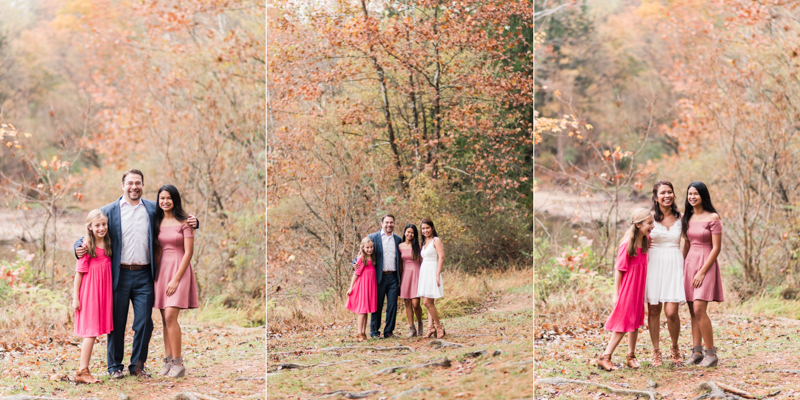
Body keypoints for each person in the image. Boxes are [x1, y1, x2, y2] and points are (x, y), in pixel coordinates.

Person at [74, 169, 198, 379]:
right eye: (130, 183)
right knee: (117, 323)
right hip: (118, 275)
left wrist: (194, 221)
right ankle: (114, 367)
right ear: (122, 185)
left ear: (142, 185)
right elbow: (91, 231)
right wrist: (77, 246)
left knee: (144, 323)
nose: (134, 186)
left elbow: (174, 221)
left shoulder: (152, 208)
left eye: (138, 183)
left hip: (145, 275)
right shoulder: (109, 210)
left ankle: (138, 366)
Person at [597, 208, 654, 371]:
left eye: (652, 222)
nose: (652, 226)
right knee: (624, 322)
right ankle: (605, 357)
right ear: (638, 224)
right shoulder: (627, 243)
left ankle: (631, 355)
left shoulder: (645, 240)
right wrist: (616, 293)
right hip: (628, 288)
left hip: (638, 288)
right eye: (649, 223)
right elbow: (619, 269)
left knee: (635, 321)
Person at [153, 185, 199, 378]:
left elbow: (189, 252)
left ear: (175, 200)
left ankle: (179, 364)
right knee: (164, 319)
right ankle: (169, 360)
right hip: (162, 271)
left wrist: (175, 279)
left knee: (171, 316)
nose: (165, 201)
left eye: (169, 198)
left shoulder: (185, 222)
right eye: (162, 198)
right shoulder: (156, 220)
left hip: (179, 270)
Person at [682, 181, 723, 368]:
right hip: (690, 264)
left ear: (703, 195)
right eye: (690, 194)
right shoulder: (687, 217)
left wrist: (702, 272)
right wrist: (681, 267)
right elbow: (687, 244)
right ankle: (696, 352)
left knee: (699, 309)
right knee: (692, 310)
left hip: (706, 265)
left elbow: (716, 248)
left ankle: (711, 354)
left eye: (696, 194)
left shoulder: (713, 217)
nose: (692, 197)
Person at [646, 180, 686, 366]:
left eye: (669, 192)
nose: (667, 195)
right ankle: (656, 352)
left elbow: (689, 242)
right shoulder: (649, 218)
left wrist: (685, 262)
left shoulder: (682, 217)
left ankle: (675, 346)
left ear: (673, 195)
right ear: (655, 197)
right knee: (654, 309)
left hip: (675, 263)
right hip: (653, 264)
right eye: (662, 193)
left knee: (671, 312)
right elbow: (639, 241)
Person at [72, 210, 114, 384]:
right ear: (89, 227)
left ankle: (84, 370)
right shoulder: (86, 246)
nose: (101, 228)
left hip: (103, 293)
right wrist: (76, 298)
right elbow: (78, 274)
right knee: (91, 331)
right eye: (97, 225)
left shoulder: (109, 243)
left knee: (95, 331)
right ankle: (83, 371)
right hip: (89, 293)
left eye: (104, 224)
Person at [359, 214, 403, 339]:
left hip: (393, 277)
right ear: (382, 223)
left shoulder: (398, 239)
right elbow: (362, 252)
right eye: (387, 222)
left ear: (394, 224)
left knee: (392, 306)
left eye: (391, 222)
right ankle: (374, 332)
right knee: (376, 306)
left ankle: (388, 331)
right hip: (378, 277)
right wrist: (354, 264)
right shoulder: (373, 237)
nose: (389, 225)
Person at [417, 218, 445, 338]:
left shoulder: (436, 240)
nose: (425, 230)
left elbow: (442, 257)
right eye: (423, 228)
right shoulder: (423, 243)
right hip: (424, 272)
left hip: (433, 271)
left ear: (432, 228)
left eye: (427, 228)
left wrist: (437, 274)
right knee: (429, 303)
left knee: (427, 302)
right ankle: (430, 327)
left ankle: (439, 327)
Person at [346, 237, 378, 342]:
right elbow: (356, 273)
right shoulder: (361, 258)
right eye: (367, 247)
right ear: (363, 248)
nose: (370, 249)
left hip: (370, 286)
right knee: (362, 310)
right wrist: (351, 287)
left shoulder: (372, 257)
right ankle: (359, 333)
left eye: (371, 247)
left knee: (366, 311)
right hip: (362, 285)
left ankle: (364, 333)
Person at [399, 224, 424, 337]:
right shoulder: (400, 246)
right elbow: (399, 263)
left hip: (416, 274)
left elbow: (422, 262)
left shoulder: (418, 246)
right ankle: (411, 328)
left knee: (415, 303)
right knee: (407, 302)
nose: (410, 234)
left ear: (415, 234)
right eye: (408, 232)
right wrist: (399, 278)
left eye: (412, 232)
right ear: (404, 232)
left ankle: (420, 323)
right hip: (405, 275)